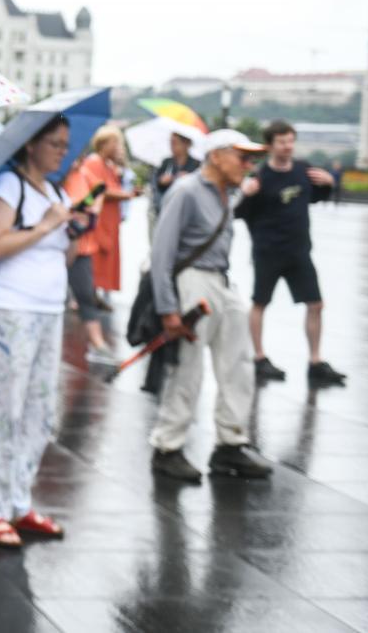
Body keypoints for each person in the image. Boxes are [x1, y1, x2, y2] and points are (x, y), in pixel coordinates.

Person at [0, 116, 89, 548]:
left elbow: (64, 257)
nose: (62, 151)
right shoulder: (9, 186)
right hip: (9, 307)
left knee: (41, 412)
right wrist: (45, 225)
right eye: (54, 144)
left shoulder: (55, 192)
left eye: (65, 144)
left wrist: (74, 230)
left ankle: (19, 500)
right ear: (31, 146)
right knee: (5, 409)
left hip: (48, 307)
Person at [148, 129, 274, 482]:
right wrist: (168, 308)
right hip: (193, 282)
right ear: (216, 156)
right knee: (188, 369)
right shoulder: (186, 191)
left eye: (252, 159)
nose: (249, 165)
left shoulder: (226, 194)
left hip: (221, 280)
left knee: (239, 364)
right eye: (242, 156)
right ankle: (167, 447)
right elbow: (161, 254)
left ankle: (231, 444)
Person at [234, 120, 343, 386]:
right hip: (268, 251)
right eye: (282, 142)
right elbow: (238, 214)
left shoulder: (303, 171)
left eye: (291, 141)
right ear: (270, 146)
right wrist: (246, 195)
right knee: (260, 303)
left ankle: (315, 361)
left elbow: (318, 196)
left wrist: (328, 183)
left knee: (316, 305)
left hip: (299, 251)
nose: (288, 146)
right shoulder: (260, 177)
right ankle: (259, 358)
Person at [64, 126, 133, 358]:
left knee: (85, 294)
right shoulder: (63, 176)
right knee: (76, 293)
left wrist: (89, 207)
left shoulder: (81, 173)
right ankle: (95, 343)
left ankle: (98, 343)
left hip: (81, 241)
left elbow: (99, 191)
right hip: (66, 241)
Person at [149, 130, 201, 242]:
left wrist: (189, 178)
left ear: (186, 144)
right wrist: (162, 181)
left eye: (175, 143)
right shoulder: (166, 162)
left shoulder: (196, 164)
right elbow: (157, 185)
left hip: (187, 212)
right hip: (165, 209)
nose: (171, 146)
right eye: (171, 142)